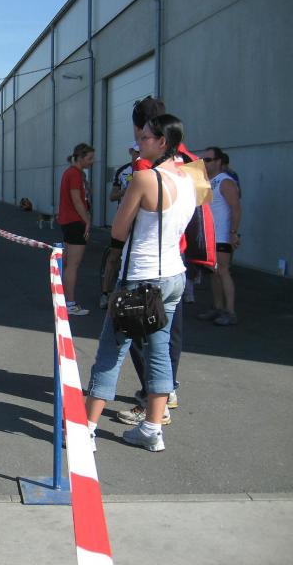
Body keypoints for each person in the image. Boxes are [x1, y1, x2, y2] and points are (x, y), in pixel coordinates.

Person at [86, 113, 196, 452]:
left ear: (162, 142)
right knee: (159, 351)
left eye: (144, 137)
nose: (138, 144)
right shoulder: (189, 178)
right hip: (173, 275)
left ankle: (86, 430)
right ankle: (152, 428)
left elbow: (119, 230)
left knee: (111, 350)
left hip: (140, 277)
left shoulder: (145, 178)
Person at [198, 146, 241, 325]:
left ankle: (230, 312)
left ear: (218, 162)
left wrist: (233, 233)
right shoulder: (207, 182)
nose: (204, 163)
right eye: (203, 160)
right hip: (209, 236)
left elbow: (236, 209)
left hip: (222, 235)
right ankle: (218, 308)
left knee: (223, 271)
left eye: (208, 160)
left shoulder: (225, 181)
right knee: (213, 273)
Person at [57, 143, 94, 314]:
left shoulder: (75, 173)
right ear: (80, 158)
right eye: (89, 158)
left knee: (67, 263)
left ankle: (63, 299)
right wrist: (87, 221)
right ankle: (70, 304)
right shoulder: (73, 174)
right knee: (73, 265)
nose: (92, 162)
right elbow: (77, 200)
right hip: (75, 222)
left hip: (70, 221)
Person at [100, 144, 139, 309]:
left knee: (136, 259)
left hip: (142, 223)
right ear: (131, 152)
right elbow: (112, 196)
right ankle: (105, 293)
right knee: (114, 256)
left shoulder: (151, 170)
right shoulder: (123, 171)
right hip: (124, 220)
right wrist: (126, 191)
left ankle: (133, 296)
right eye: (136, 152)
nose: (138, 155)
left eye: (141, 152)